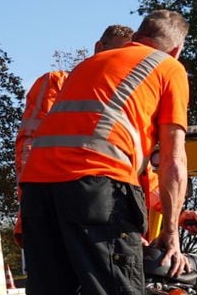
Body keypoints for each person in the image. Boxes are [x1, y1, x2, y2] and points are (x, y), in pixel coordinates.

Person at [15, 10, 195, 295]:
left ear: (135, 37)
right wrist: (170, 233)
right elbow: (172, 160)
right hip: (98, 191)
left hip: (37, 191)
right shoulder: (169, 68)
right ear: (174, 48)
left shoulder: (87, 67)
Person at [13, 24, 135, 247]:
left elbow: (141, 165)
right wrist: (31, 208)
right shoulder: (57, 83)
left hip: (107, 214)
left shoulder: (128, 99)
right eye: (116, 53)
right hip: (61, 210)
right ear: (99, 47)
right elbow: (29, 151)